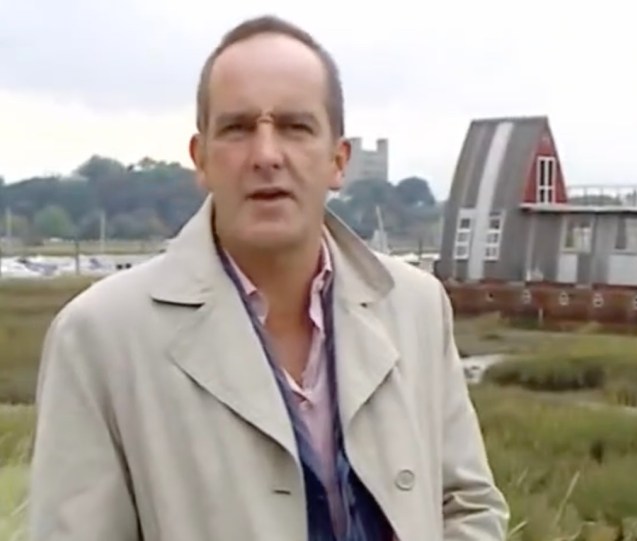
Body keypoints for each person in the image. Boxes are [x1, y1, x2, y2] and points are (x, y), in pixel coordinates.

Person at [28, 15, 508, 541]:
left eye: (295, 127)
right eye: (236, 128)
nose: (265, 155)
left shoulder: (416, 306)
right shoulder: (99, 337)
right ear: (201, 158)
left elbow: (468, 503)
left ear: (338, 160)